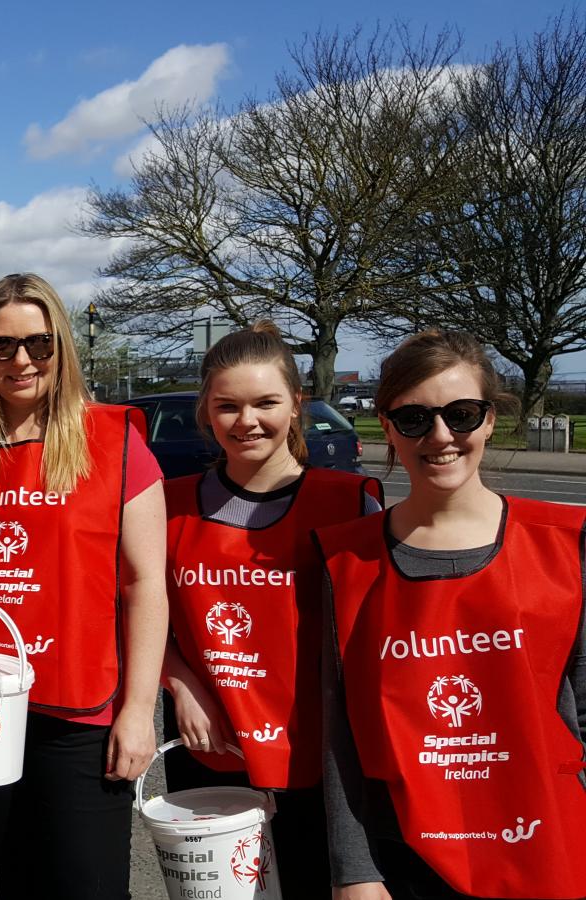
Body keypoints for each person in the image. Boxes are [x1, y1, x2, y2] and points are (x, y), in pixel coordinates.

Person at [0, 273, 168, 899]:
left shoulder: (116, 441)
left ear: (60, 347)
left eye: (38, 344)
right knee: (15, 875)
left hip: (84, 710)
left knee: (90, 885)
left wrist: (137, 713)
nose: (21, 360)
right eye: (2, 346)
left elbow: (147, 586)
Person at [316, 329, 586, 900]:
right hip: (406, 859)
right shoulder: (345, 560)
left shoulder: (565, 545)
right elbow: (339, 728)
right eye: (413, 418)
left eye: (461, 414)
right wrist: (354, 870)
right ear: (386, 426)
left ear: (490, 419)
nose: (440, 436)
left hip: (549, 846)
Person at [159, 322, 382, 895]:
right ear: (206, 412)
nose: (247, 420)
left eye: (266, 402)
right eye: (228, 405)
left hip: (317, 756)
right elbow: (134, 615)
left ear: (296, 405)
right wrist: (181, 683)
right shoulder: (167, 505)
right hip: (207, 744)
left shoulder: (350, 502)